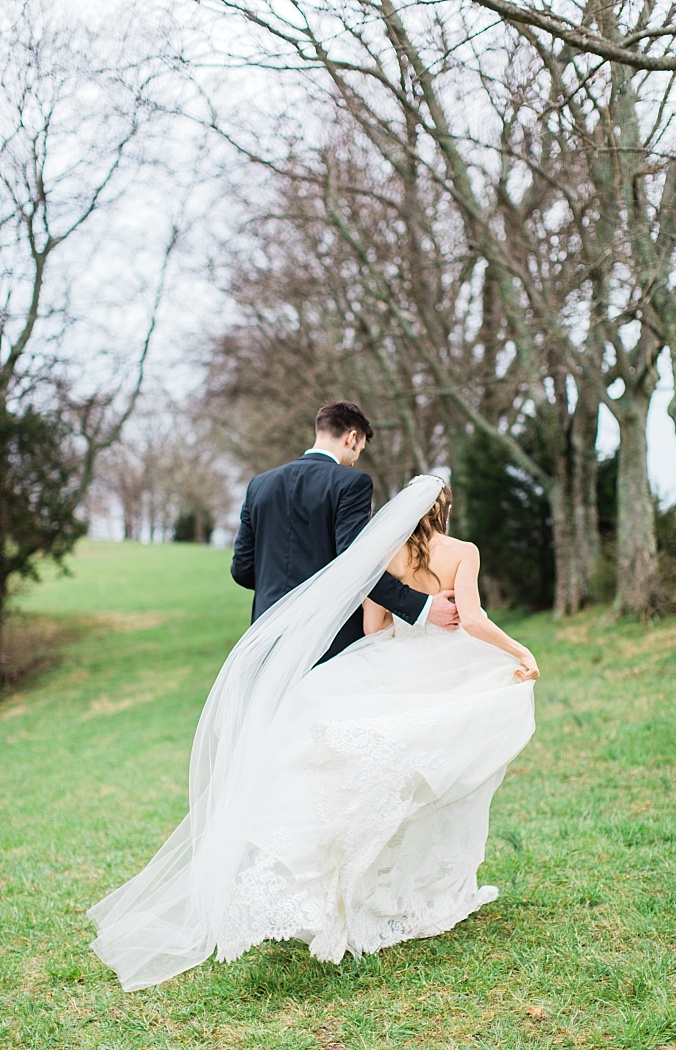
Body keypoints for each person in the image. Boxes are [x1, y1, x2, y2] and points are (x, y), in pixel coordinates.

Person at [88, 474, 537, 990]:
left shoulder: (384, 553)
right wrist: (520, 652)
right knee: (433, 776)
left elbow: (373, 630)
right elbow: (474, 620)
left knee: (368, 774)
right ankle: (417, 894)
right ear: (446, 508)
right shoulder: (462, 551)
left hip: (385, 664)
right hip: (442, 669)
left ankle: (356, 893)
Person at [231, 401, 460, 660]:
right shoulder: (351, 483)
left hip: (266, 634)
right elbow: (357, 563)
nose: (354, 460)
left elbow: (242, 570)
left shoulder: (259, 485)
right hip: (328, 638)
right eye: (359, 451)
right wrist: (424, 607)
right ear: (352, 438)